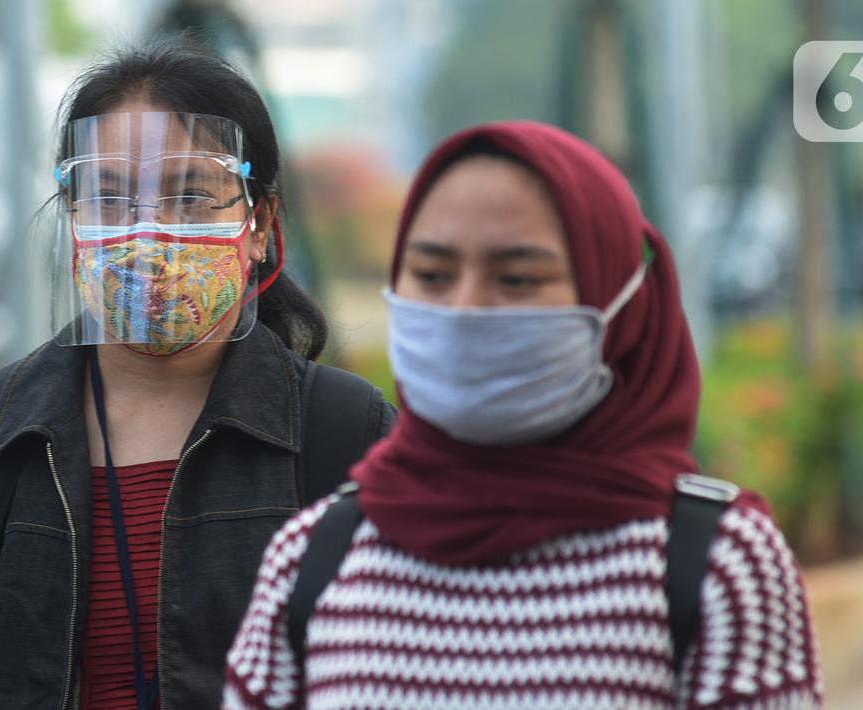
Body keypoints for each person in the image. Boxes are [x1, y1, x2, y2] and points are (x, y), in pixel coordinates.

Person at [0, 41, 394, 710]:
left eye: (190, 197)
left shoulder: (348, 434)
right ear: (72, 217)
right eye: (108, 197)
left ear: (259, 226)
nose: (147, 234)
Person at [223, 121, 823, 709]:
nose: (465, 310)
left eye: (516, 278)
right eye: (432, 275)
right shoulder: (314, 556)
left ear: (617, 303)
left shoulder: (716, 565)